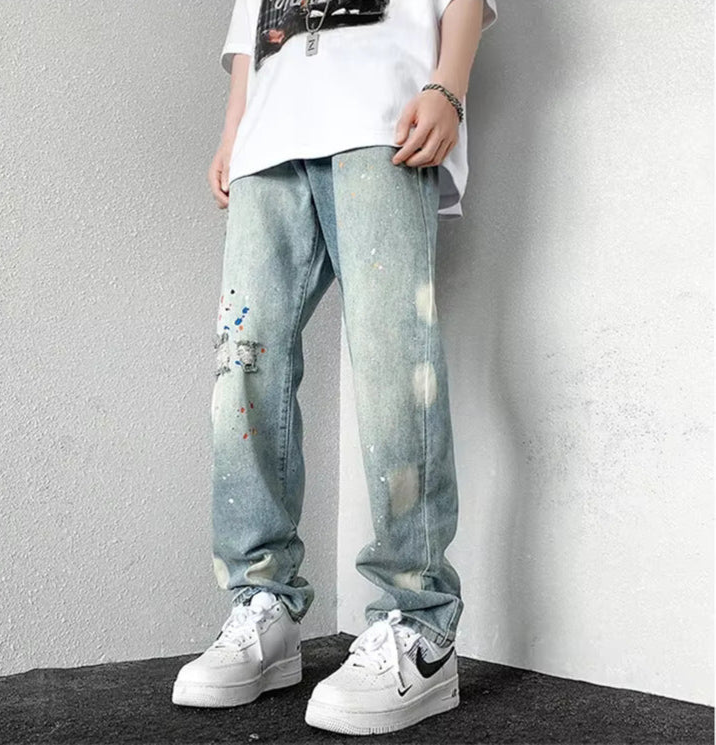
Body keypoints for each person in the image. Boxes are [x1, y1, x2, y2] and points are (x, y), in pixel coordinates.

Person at [172, 0, 498, 735]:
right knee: (243, 367)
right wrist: (233, 129)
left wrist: (448, 86)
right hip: (267, 145)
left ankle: (420, 623)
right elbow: (253, 32)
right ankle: (263, 602)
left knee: (393, 362)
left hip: (384, 120)